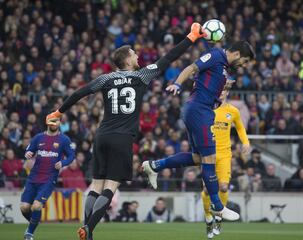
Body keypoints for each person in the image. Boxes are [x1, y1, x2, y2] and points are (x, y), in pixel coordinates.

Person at [46, 22, 205, 240]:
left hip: (101, 136)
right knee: (111, 186)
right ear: (127, 60)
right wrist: (191, 37)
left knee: (96, 185)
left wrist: (58, 112)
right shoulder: (141, 76)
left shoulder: (105, 78)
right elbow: (169, 57)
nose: (137, 55)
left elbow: (79, 93)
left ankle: (86, 229)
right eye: (134, 53)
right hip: (121, 138)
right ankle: (88, 229)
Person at [143, 39, 255, 222]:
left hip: (200, 111)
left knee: (197, 158)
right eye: (244, 61)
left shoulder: (223, 66)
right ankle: (218, 207)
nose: (243, 65)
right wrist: (177, 84)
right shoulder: (217, 55)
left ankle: (155, 166)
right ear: (236, 54)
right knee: (209, 159)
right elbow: (191, 68)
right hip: (198, 111)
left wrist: (223, 85)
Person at [201, 85, 250, 239]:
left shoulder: (233, 111)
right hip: (208, 154)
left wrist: (246, 142)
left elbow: (240, 128)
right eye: (218, 90)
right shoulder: (206, 108)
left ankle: (218, 218)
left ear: (227, 92)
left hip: (224, 154)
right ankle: (208, 218)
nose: (220, 93)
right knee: (208, 190)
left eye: (223, 90)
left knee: (223, 187)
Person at [20, 116, 75, 240]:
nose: (54, 124)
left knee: (36, 206)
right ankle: (34, 221)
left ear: (59, 123)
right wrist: (28, 153)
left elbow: (72, 156)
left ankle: (29, 233)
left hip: (49, 179)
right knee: (24, 207)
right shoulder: (38, 137)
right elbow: (28, 150)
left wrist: (63, 163)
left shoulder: (64, 139)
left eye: (56, 121)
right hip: (33, 177)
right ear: (47, 122)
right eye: (51, 121)